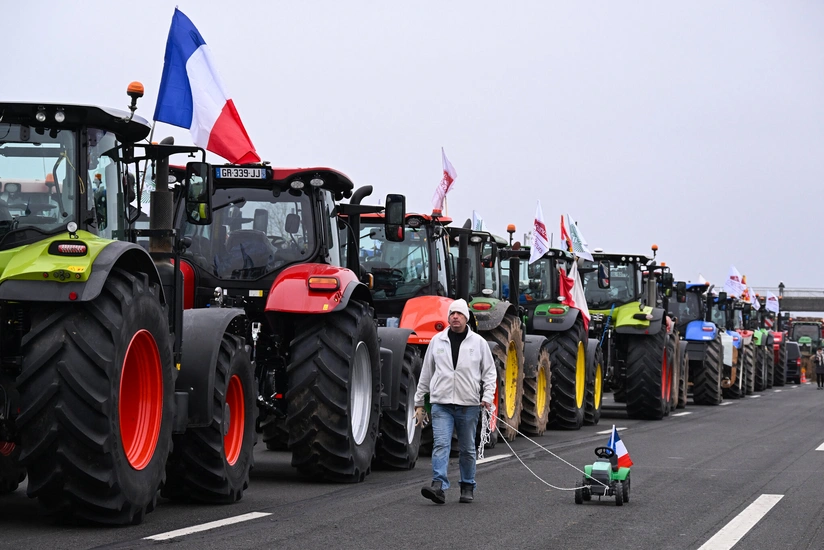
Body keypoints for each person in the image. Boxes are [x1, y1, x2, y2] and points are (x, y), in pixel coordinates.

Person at [414, 299, 496, 504]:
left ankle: (467, 485)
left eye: (459, 314)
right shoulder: (437, 341)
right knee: (441, 444)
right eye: (452, 314)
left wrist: (487, 398)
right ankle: (438, 486)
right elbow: (426, 374)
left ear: (466, 318)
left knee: (467, 448)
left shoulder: (478, 343)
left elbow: (490, 373)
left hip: (468, 405)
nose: (455, 317)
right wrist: (419, 404)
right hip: (441, 404)